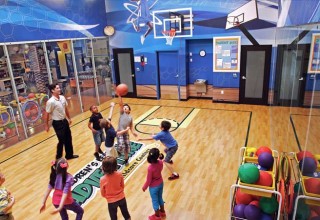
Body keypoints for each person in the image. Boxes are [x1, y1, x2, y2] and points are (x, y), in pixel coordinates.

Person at [45, 84, 79, 160]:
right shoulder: (50, 102)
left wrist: (69, 118)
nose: (59, 89)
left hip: (64, 121)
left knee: (68, 138)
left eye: (59, 87)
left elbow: (66, 109)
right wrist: (46, 125)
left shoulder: (63, 98)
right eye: (57, 88)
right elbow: (47, 113)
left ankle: (69, 155)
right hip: (57, 123)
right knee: (61, 140)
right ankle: (58, 158)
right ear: (52, 90)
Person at [142, 148, 166, 220]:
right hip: (161, 183)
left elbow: (149, 180)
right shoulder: (161, 162)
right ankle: (162, 212)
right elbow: (161, 160)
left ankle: (157, 216)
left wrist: (144, 187)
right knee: (160, 198)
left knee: (155, 201)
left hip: (153, 187)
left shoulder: (150, 168)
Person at [116, 95, 138, 165]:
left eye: (126, 107)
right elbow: (120, 104)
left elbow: (131, 126)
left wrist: (133, 132)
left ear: (129, 110)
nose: (125, 108)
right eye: (124, 107)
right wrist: (120, 96)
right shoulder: (122, 114)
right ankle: (118, 151)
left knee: (126, 147)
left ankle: (126, 159)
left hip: (126, 134)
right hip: (120, 132)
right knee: (121, 145)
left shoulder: (130, 118)